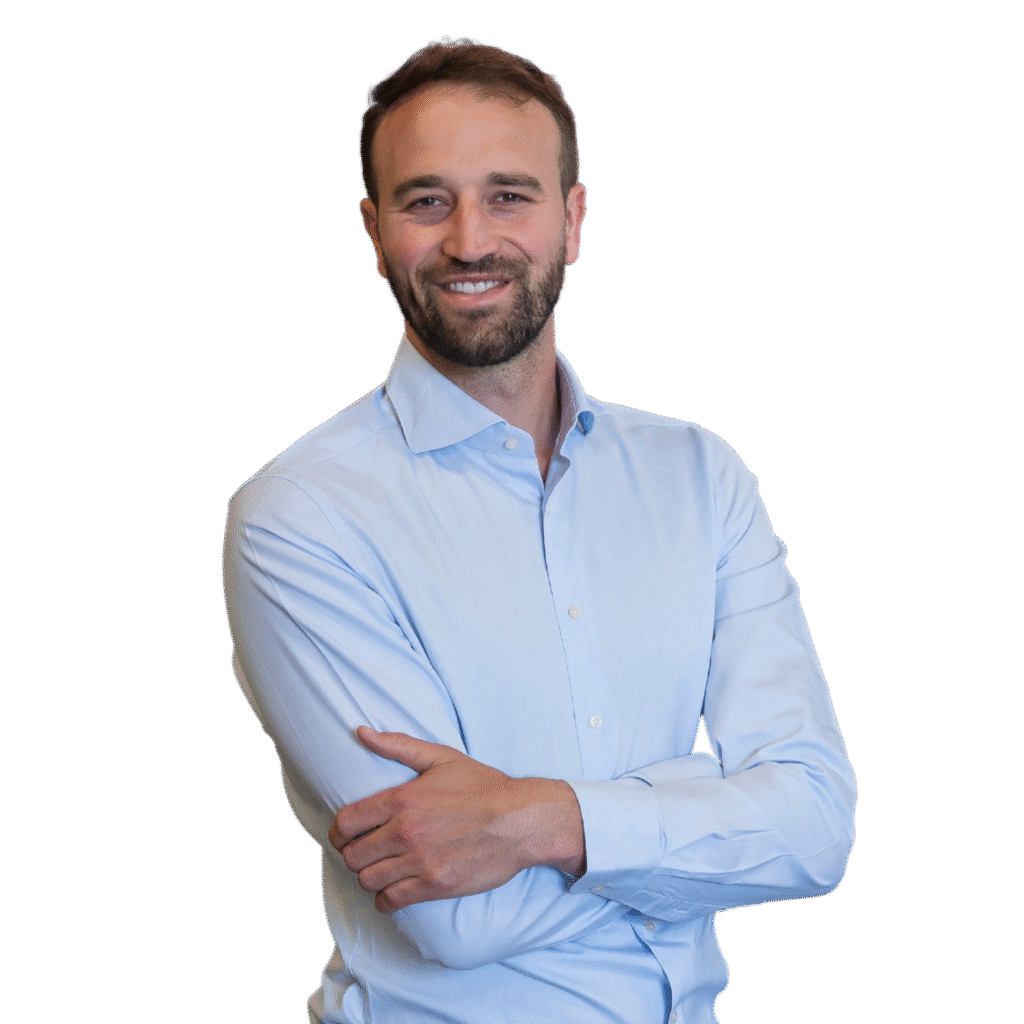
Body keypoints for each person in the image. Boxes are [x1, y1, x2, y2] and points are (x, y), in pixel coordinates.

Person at [223, 36, 856, 1024]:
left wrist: (536, 817)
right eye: (426, 200)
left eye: (509, 195)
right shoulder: (300, 517)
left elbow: (814, 830)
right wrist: (705, 807)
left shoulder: (698, 477)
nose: (470, 238)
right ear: (372, 229)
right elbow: (455, 916)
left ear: (572, 219)